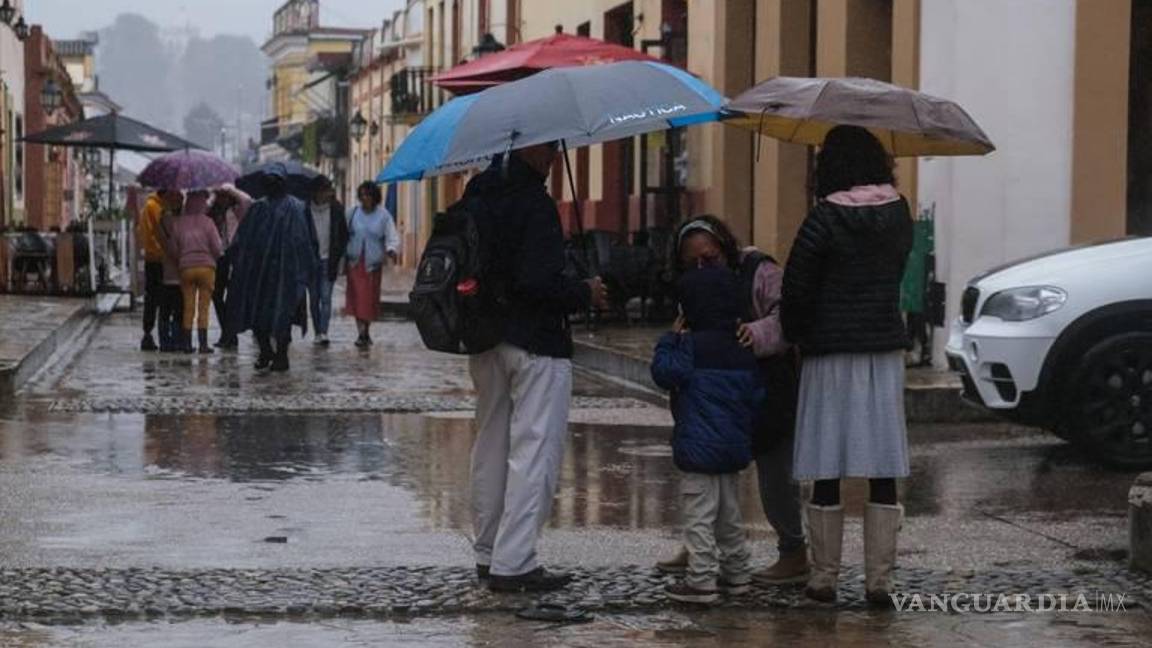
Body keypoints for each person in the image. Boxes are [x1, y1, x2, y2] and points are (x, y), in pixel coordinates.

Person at [466, 143, 608, 593]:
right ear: (527, 147)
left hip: (486, 339)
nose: (551, 157)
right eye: (547, 148)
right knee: (535, 450)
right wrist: (584, 291)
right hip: (535, 344)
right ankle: (515, 561)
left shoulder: (477, 195)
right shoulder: (534, 204)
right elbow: (537, 281)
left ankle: (489, 553)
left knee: (489, 445)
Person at [781, 125, 914, 605]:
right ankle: (880, 580)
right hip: (881, 351)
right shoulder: (900, 213)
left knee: (826, 466)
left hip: (829, 352)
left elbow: (796, 287)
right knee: (882, 467)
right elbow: (896, 270)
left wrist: (795, 334)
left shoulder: (823, 218)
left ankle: (824, 578)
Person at [657, 216, 808, 585]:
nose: (702, 269)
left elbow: (789, 315)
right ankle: (701, 547)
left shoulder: (759, 269)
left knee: (775, 471)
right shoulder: (695, 285)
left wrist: (755, 334)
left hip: (767, 381)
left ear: (724, 248)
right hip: (717, 388)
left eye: (708, 258)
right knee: (713, 481)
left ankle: (793, 551)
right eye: (692, 264)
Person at [651, 265, 763, 604]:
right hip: (732, 448)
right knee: (729, 515)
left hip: (698, 449)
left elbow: (664, 373)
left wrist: (670, 339)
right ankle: (738, 574)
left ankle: (700, 580)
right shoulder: (742, 346)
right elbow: (757, 396)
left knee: (699, 514)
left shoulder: (690, 346)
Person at [224, 165, 319, 373]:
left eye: (275, 180)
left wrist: (308, 269)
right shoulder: (259, 208)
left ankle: (281, 354)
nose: (272, 184)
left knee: (282, 315)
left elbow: (307, 240)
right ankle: (266, 350)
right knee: (259, 316)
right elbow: (244, 239)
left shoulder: (297, 208)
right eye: (269, 181)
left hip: (287, 272)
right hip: (261, 273)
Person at [345, 181, 399, 348]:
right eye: (362, 196)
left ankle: (365, 330)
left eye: (368, 195)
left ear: (375, 197)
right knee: (357, 298)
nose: (365, 199)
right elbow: (343, 233)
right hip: (354, 261)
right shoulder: (352, 213)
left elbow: (391, 235)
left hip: (372, 264)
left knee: (368, 299)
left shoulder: (384, 215)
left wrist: (391, 249)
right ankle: (361, 332)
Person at [169, 190, 224, 354]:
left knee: (188, 306)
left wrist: (182, 259)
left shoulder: (179, 223)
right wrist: (213, 257)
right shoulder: (208, 223)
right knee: (204, 307)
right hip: (206, 268)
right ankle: (203, 344)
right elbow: (218, 247)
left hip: (186, 268)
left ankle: (186, 344)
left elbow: (173, 248)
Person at [307, 175, 349, 346]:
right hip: (311, 261)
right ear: (316, 192)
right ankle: (317, 331)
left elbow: (344, 234)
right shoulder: (305, 210)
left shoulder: (337, 209)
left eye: (329, 190)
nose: (328, 194)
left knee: (326, 297)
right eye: (325, 190)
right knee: (314, 298)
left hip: (328, 260)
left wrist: (339, 256)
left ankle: (324, 332)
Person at [208, 188, 250, 349]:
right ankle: (228, 333)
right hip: (219, 257)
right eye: (220, 196)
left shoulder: (237, 210)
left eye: (225, 197)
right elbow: (204, 208)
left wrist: (230, 189)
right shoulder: (212, 213)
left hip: (236, 255)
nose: (222, 199)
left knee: (233, 298)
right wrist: (213, 197)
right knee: (217, 295)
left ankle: (229, 336)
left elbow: (247, 200)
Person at [136, 190, 172, 351]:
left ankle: (150, 333)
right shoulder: (154, 207)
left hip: (153, 257)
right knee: (158, 297)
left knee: (152, 297)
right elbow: (157, 233)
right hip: (158, 258)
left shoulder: (151, 206)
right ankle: (150, 334)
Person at [155, 191, 186, 353]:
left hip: (167, 271)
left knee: (165, 309)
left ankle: (164, 342)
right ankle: (177, 340)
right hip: (180, 273)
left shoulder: (161, 220)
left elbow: (161, 241)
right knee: (179, 309)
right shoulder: (182, 222)